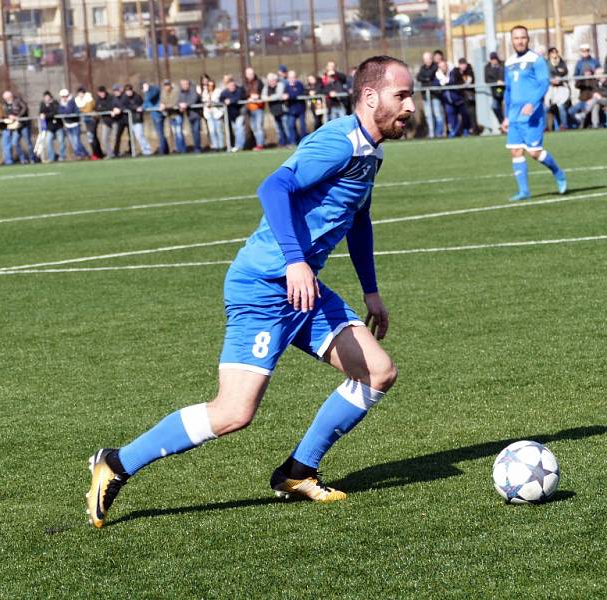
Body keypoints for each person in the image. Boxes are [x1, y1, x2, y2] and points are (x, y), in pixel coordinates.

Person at [85, 55, 415, 529]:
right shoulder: (338, 143)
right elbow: (274, 186)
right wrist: (296, 260)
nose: (409, 105)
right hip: (263, 287)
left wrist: (372, 291)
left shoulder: (370, 153)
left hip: (303, 292)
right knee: (233, 412)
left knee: (377, 373)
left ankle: (297, 472)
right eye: (401, 95)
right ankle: (115, 463)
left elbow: (359, 219)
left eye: (410, 95)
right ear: (370, 96)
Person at [502, 25, 567, 201]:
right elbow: (508, 91)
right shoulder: (508, 63)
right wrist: (506, 116)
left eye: (523, 37)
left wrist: (532, 103)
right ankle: (524, 191)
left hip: (533, 114)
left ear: (528, 39)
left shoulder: (536, 60)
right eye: (516, 38)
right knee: (515, 151)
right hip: (514, 115)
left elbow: (544, 84)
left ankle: (558, 172)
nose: (520, 41)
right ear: (512, 40)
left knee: (534, 153)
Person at [417, 51, 444, 137]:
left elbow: (430, 75)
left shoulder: (435, 66)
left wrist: (425, 78)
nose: (427, 60)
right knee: (428, 116)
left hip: (434, 95)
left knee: (437, 114)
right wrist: (426, 78)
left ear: (431, 59)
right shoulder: (422, 68)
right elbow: (418, 77)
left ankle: (439, 133)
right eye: (425, 59)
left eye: (428, 58)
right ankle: (432, 133)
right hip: (425, 96)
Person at [122, 84, 153, 156]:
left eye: (130, 90)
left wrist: (136, 108)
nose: (129, 92)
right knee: (131, 137)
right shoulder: (124, 98)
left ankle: (147, 151)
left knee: (139, 135)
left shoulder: (137, 97)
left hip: (137, 119)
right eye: (127, 91)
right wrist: (134, 108)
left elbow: (141, 105)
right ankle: (133, 152)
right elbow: (124, 106)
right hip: (129, 120)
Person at [58, 88, 89, 160]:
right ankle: (84, 154)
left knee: (76, 142)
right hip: (68, 125)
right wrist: (64, 110)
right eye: (62, 96)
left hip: (75, 125)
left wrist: (64, 111)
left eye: (65, 96)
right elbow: (59, 111)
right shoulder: (61, 103)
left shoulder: (71, 101)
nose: (64, 98)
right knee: (73, 142)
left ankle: (81, 155)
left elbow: (69, 111)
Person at [219, 76, 247, 152]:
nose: (232, 87)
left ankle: (239, 146)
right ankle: (234, 145)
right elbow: (221, 100)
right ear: (227, 86)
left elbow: (239, 97)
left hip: (239, 113)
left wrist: (230, 101)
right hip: (231, 115)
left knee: (239, 129)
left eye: (233, 85)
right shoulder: (224, 93)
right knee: (235, 130)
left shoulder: (239, 90)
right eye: (230, 85)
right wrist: (224, 101)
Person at [174, 79, 201, 153]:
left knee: (196, 131)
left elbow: (194, 99)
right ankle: (194, 147)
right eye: (182, 84)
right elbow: (177, 101)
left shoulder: (193, 90)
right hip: (189, 115)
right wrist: (180, 105)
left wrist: (186, 104)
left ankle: (197, 148)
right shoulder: (180, 92)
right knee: (193, 132)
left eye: (185, 84)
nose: (184, 86)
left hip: (196, 114)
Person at [545, 48, 569, 130]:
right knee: (547, 107)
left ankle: (564, 126)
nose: (554, 54)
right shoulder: (546, 63)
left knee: (561, 106)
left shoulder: (561, 62)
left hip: (561, 88)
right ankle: (546, 127)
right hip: (550, 88)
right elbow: (545, 75)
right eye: (552, 52)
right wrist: (551, 80)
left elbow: (565, 72)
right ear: (549, 54)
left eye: (556, 52)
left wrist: (559, 78)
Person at [75, 87, 101, 159]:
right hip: (85, 120)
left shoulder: (89, 98)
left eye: (81, 93)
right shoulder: (78, 100)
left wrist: (82, 109)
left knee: (91, 137)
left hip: (92, 120)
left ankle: (95, 154)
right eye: (79, 93)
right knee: (93, 137)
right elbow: (77, 109)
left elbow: (88, 109)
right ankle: (99, 154)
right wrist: (82, 109)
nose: (80, 95)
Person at [143, 81, 169, 155]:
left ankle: (163, 151)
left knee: (160, 133)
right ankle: (165, 149)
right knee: (160, 133)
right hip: (153, 114)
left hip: (158, 114)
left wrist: (146, 91)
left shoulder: (155, 89)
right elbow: (146, 103)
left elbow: (149, 97)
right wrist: (142, 107)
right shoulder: (149, 91)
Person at [262, 72, 287, 147]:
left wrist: (269, 98)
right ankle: (282, 142)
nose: (272, 82)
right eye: (270, 81)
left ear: (276, 80)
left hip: (283, 109)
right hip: (274, 110)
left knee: (286, 126)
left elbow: (279, 95)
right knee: (278, 128)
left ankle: (290, 142)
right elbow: (263, 96)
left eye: (273, 80)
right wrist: (271, 98)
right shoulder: (266, 87)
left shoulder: (280, 85)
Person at [283, 70, 306, 144]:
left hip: (300, 109)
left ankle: (303, 141)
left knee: (302, 126)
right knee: (291, 126)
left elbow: (298, 93)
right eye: (290, 77)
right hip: (291, 109)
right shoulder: (286, 86)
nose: (291, 79)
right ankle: (293, 142)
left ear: (295, 77)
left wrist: (289, 96)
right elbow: (285, 94)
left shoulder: (299, 84)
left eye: (293, 77)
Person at [244, 67, 265, 150]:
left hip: (259, 107)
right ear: (246, 75)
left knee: (259, 126)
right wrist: (248, 97)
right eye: (248, 74)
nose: (250, 75)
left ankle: (260, 145)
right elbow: (243, 93)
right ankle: (258, 144)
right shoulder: (245, 84)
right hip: (250, 108)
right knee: (254, 128)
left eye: (251, 73)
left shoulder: (259, 82)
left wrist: (258, 96)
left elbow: (263, 92)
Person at [94, 86, 117, 159]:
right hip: (105, 122)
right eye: (100, 92)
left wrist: (104, 109)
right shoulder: (98, 99)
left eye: (103, 92)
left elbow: (112, 107)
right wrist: (105, 110)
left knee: (115, 138)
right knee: (104, 139)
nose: (102, 94)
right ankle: (110, 154)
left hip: (114, 120)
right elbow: (97, 109)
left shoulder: (111, 97)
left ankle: (116, 153)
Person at [201, 78, 224, 151]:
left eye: (212, 85)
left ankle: (221, 146)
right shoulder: (205, 93)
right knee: (212, 131)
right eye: (209, 85)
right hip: (209, 114)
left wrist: (212, 103)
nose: (210, 87)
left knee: (218, 130)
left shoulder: (218, 91)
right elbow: (204, 101)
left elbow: (219, 101)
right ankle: (215, 146)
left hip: (217, 113)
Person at [39, 90, 61, 162]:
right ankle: (51, 158)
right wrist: (42, 115)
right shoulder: (42, 104)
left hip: (58, 126)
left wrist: (46, 115)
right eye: (45, 97)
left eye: (48, 96)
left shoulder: (55, 103)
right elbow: (41, 113)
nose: (46, 98)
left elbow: (55, 112)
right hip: (49, 127)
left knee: (61, 141)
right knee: (48, 141)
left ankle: (62, 157)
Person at [484, 52, 506, 125]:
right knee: (495, 106)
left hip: (506, 89)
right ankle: (502, 123)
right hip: (496, 91)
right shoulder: (487, 68)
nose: (494, 61)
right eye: (492, 59)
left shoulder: (503, 65)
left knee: (508, 107)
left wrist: (502, 80)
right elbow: (487, 80)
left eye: (495, 59)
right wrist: (497, 82)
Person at [159, 79, 180, 152]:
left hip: (177, 114)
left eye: (167, 85)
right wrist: (162, 105)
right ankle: (177, 148)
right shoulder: (163, 93)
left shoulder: (175, 91)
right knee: (174, 133)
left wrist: (165, 106)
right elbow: (162, 101)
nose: (166, 87)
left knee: (179, 133)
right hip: (170, 115)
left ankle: (181, 149)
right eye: (165, 85)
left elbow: (174, 102)